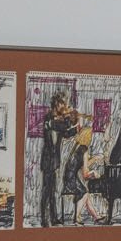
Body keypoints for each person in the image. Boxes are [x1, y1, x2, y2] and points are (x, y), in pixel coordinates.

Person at [36, 93, 80, 226]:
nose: (65, 106)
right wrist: (67, 119)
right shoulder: (48, 118)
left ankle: (54, 219)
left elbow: (66, 133)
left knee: (53, 190)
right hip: (47, 161)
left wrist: (76, 128)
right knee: (45, 191)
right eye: (62, 104)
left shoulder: (60, 121)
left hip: (54, 161)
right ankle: (44, 220)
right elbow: (55, 126)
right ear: (56, 104)